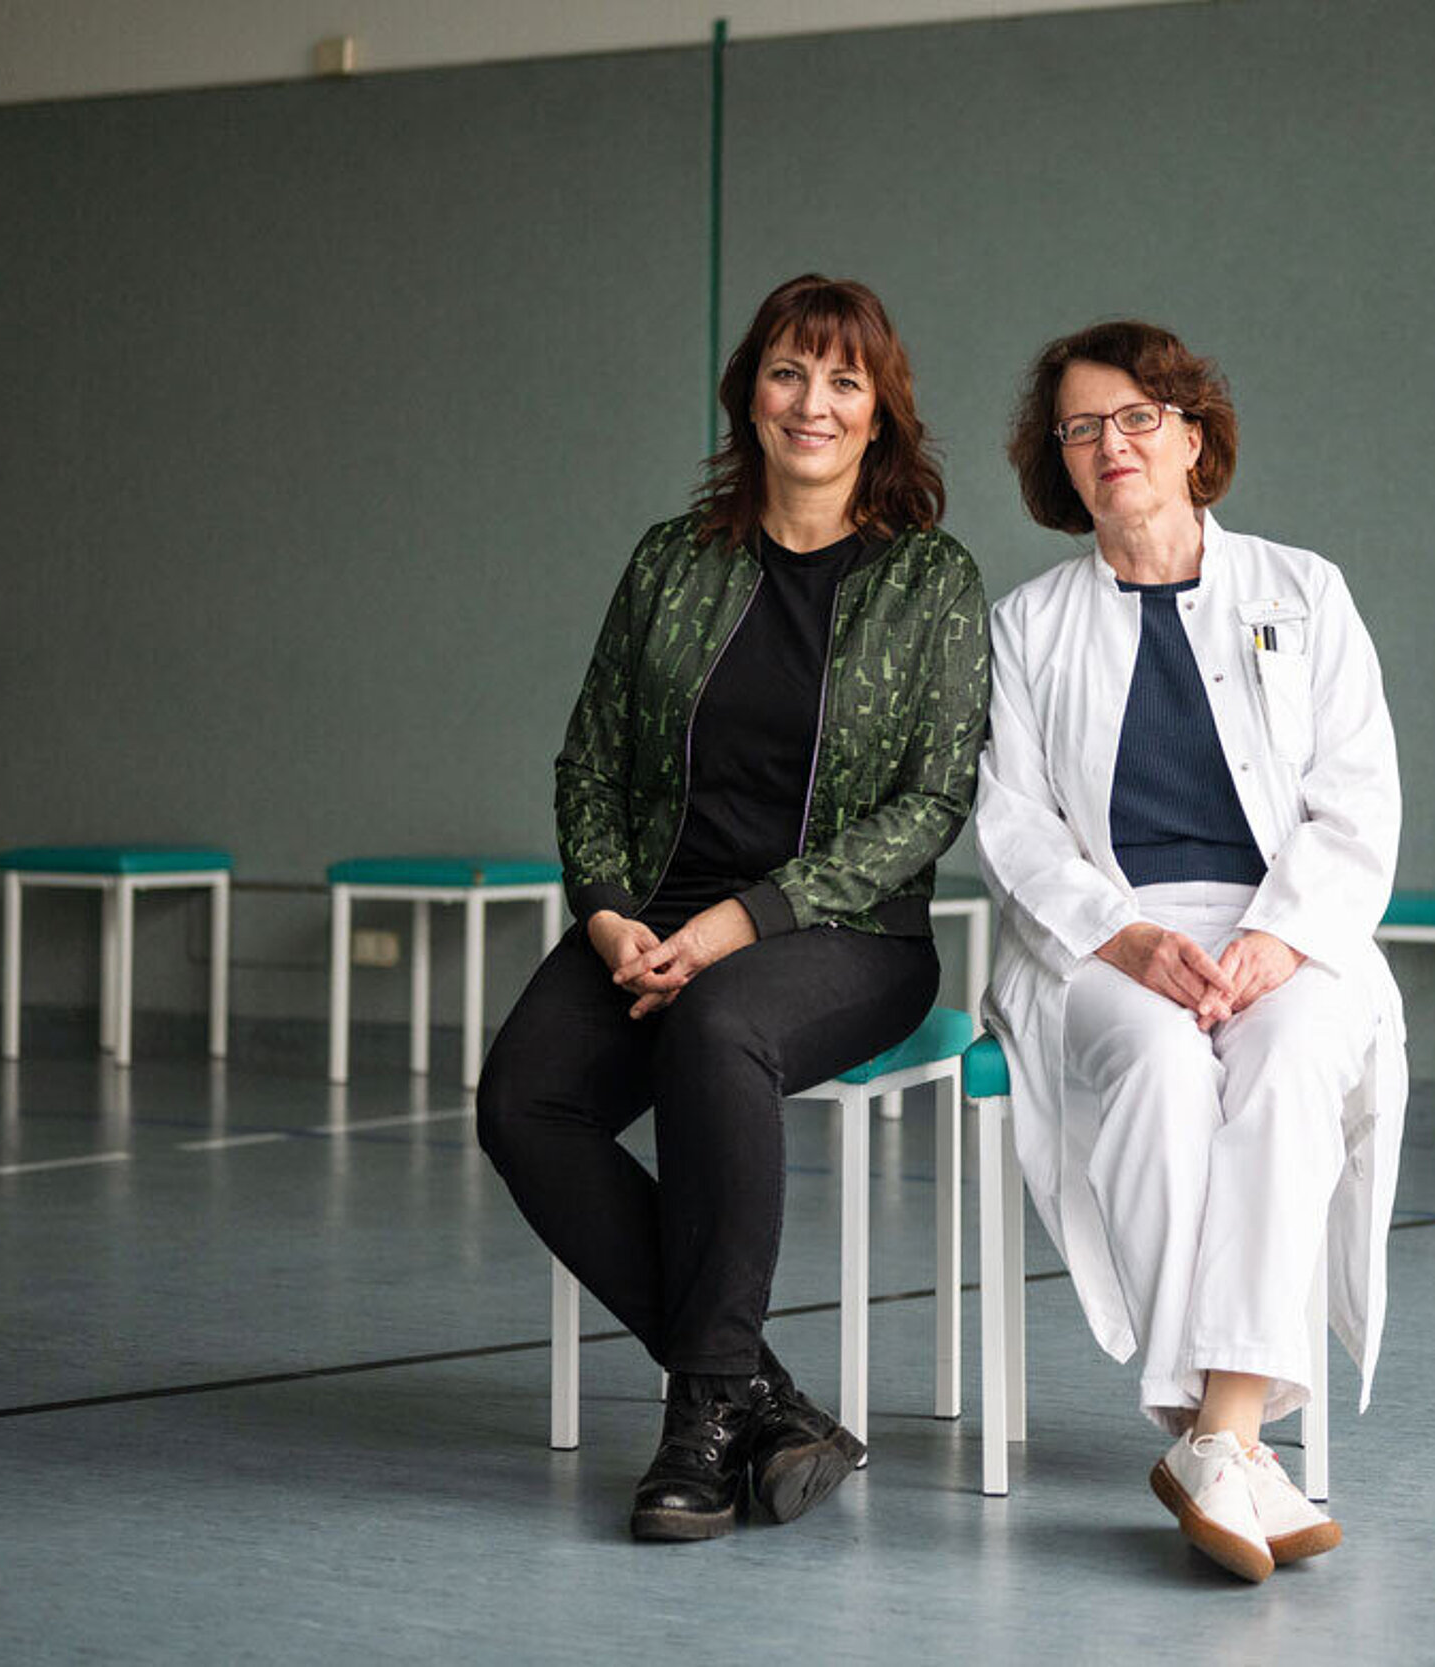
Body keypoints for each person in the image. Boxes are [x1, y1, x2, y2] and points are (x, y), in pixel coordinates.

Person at [477, 273, 990, 1543]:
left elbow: (933, 800)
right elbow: (590, 761)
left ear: (880, 412)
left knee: (717, 1026)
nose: (812, 403)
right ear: (748, 393)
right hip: (655, 916)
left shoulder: (929, 579)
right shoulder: (672, 560)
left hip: (846, 934)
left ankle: (702, 1413)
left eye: (844, 380)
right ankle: (765, 1396)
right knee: (523, 1099)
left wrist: (749, 918)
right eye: (787, 372)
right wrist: (607, 911)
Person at [974, 320, 1407, 1583]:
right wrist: (1127, 936)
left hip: (1288, 923)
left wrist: (1277, 936)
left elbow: (1357, 800)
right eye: (1080, 427)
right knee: (1163, 1071)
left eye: (1136, 417)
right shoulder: (1027, 624)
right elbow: (1012, 823)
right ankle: (1236, 1447)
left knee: (1289, 1064)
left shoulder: (1303, 590)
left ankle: (1214, 1436)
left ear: (1191, 434)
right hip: (1105, 938)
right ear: (1058, 460)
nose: (1109, 443)